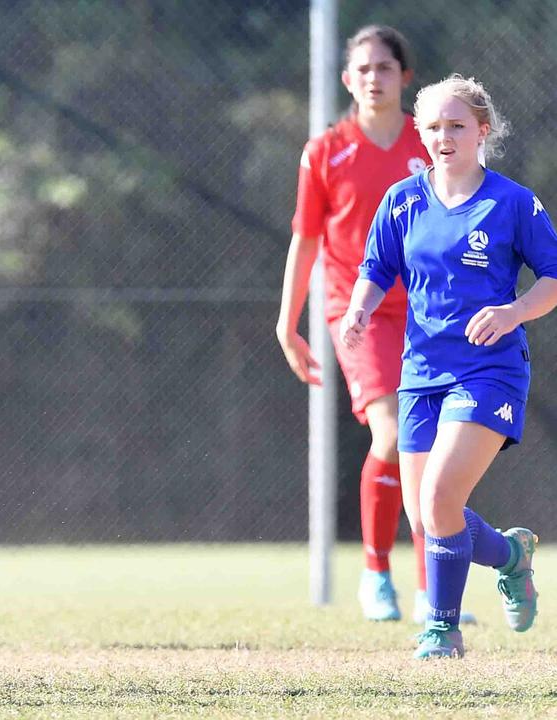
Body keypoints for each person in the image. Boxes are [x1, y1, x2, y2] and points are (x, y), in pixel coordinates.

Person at [343, 74, 552, 659]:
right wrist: (358, 310)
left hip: (489, 371)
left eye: (456, 125)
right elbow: (376, 266)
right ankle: (512, 557)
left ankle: (441, 630)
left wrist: (513, 312)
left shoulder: (511, 202)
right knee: (428, 513)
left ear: (482, 131)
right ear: (420, 133)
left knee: (439, 497)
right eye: (432, 126)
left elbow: (553, 280)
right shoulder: (404, 199)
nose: (444, 136)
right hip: (420, 374)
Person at [278, 25, 435, 622]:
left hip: (426, 313)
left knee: (433, 444)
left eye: (385, 67)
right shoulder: (325, 152)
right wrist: (286, 323)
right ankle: (376, 575)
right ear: (348, 80)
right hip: (359, 312)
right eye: (363, 69)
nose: (374, 77)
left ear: (405, 77)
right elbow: (306, 240)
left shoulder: (432, 144)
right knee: (393, 435)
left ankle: (431, 593)